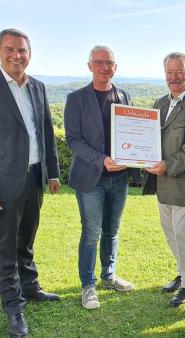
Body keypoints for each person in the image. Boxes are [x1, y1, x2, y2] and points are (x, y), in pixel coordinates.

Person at [0, 28, 61, 337]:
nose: (17, 55)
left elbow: (46, 131)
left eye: (22, 50)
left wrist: (53, 172)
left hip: (34, 179)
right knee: (4, 248)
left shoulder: (38, 87)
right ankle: (14, 309)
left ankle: (30, 288)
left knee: (26, 241)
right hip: (1, 186)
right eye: (10, 49)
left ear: (29, 53)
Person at [64, 45, 135, 310]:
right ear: (90, 66)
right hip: (90, 178)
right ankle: (88, 285)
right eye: (99, 62)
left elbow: (133, 135)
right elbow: (74, 140)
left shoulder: (124, 95)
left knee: (112, 231)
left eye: (110, 63)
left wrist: (135, 158)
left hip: (119, 179)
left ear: (115, 67)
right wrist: (101, 159)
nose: (105, 67)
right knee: (91, 232)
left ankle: (109, 276)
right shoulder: (76, 98)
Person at [145, 52, 185, 307]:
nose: (174, 77)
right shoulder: (159, 104)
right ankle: (184, 272)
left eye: (179, 72)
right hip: (162, 182)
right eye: (169, 73)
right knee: (171, 232)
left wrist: (168, 166)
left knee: (184, 233)